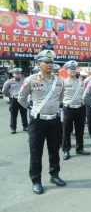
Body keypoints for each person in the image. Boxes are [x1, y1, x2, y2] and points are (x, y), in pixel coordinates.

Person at [18, 50, 66, 194]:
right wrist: (33, 109)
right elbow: (21, 98)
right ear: (39, 64)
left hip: (54, 121)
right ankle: (36, 180)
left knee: (54, 150)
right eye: (47, 62)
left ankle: (54, 175)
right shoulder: (31, 80)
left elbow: (61, 98)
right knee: (36, 152)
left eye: (52, 62)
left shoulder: (59, 81)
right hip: (37, 122)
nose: (50, 65)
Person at [61, 61, 90, 160]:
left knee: (80, 130)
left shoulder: (81, 82)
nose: (73, 71)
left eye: (74, 69)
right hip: (68, 108)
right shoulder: (63, 82)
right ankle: (66, 150)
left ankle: (80, 148)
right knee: (66, 131)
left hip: (80, 108)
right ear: (66, 70)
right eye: (71, 69)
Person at [2, 68, 28, 134]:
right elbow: (4, 91)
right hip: (14, 99)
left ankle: (25, 126)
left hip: (23, 99)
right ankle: (13, 128)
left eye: (19, 73)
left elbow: (28, 88)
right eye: (16, 73)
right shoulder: (9, 81)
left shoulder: (24, 81)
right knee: (14, 115)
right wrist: (9, 96)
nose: (18, 75)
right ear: (13, 74)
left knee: (24, 114)